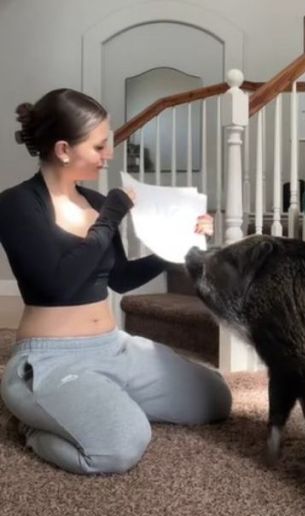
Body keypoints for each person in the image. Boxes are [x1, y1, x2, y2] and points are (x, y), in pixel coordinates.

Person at [0, 88, 232, 475]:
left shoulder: (94, 200)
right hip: (50, 359)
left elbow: (121, 279)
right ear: (63, 149)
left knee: (216, 399)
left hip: (113, 348)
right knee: (119, 447)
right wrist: (110, 217)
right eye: (100, 146)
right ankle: (31, 425)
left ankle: (100, 400)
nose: (109, 155)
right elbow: (57, 285)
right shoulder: (16, 205)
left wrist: (183, 244)